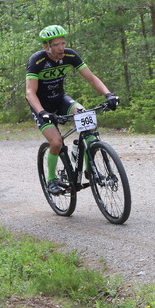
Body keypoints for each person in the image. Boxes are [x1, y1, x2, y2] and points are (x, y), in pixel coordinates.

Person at [25, 25, 119, 195]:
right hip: (41, 105)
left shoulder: (70, 55)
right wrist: (42, 113)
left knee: (87, 121)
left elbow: (91, 78)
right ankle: (52, 179)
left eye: (63, 43)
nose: (61, 48)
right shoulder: (37, 61)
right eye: (56, 44)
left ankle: (88, 168)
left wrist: (109, 94)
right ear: (46, 46)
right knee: (56, 142)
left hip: (60, 99)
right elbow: (30, 92)